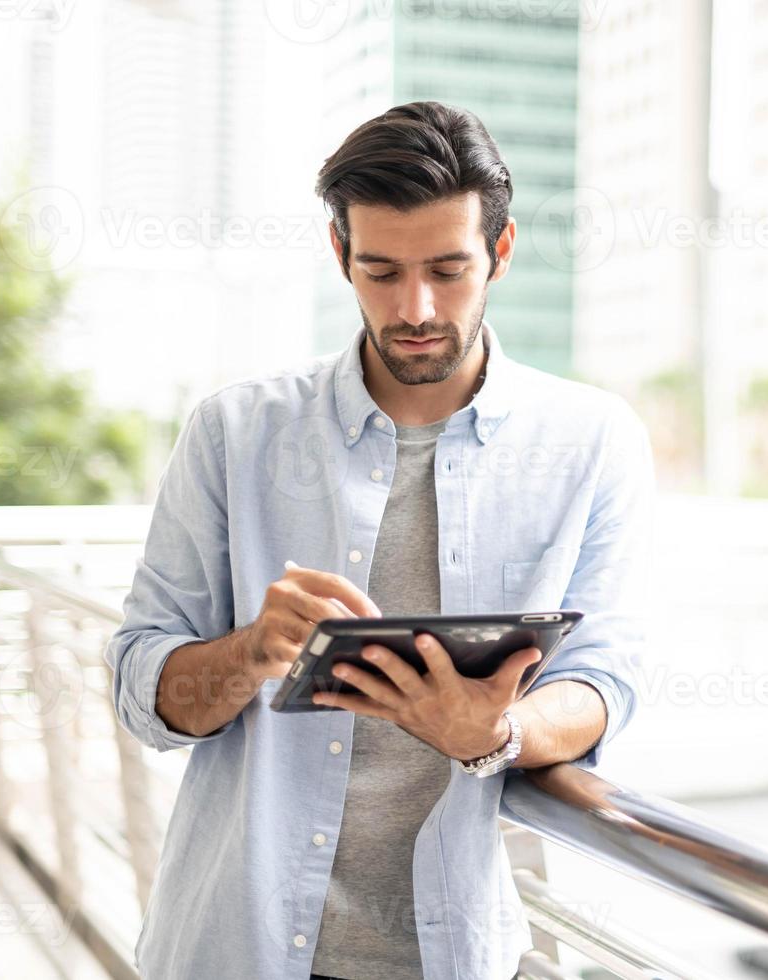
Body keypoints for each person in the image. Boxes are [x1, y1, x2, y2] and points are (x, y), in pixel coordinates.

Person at [105, 100, 653, 980]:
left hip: (457, 951)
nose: (417, 308)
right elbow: (144, 690)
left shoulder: (592, 441)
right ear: (340, 256)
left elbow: (607, 678)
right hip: (234, 944)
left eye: (448, 269)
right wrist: (252, 650)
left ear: (501, 254)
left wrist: (499, 729)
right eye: (382, 272)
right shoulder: (234, 434)